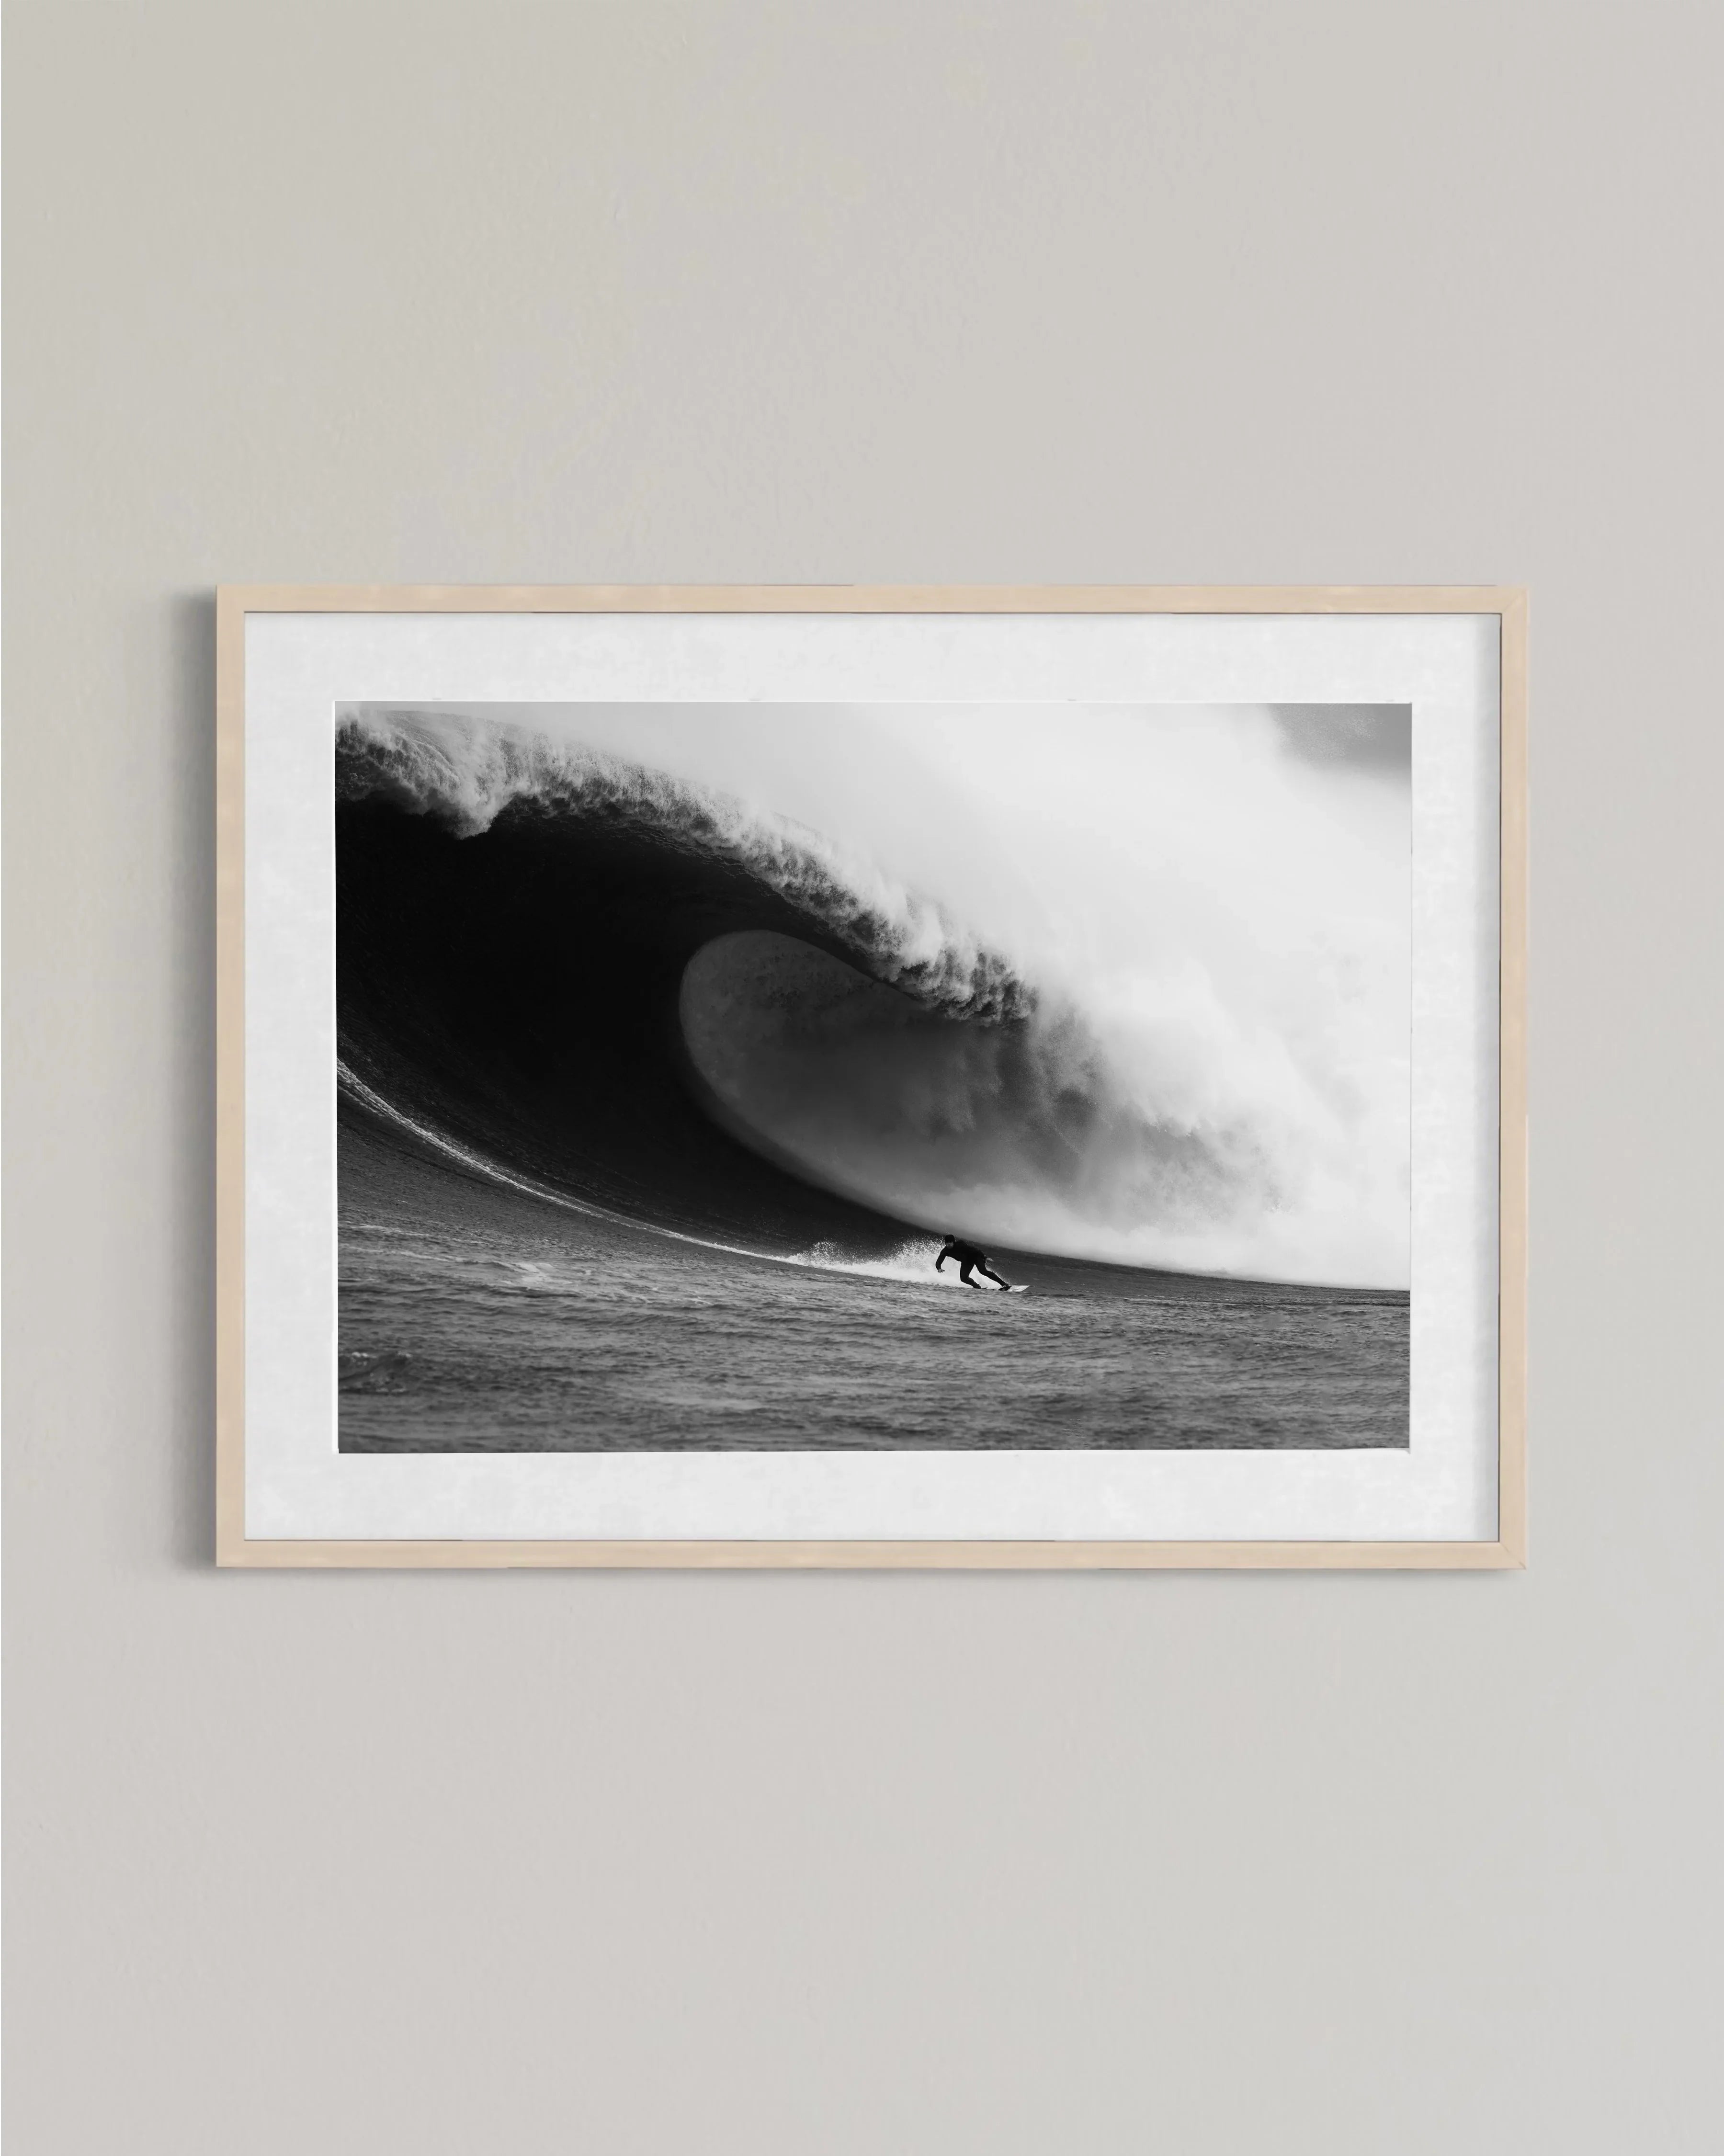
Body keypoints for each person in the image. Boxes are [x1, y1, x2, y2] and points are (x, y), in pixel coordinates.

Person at [935, 1233, 1013, 1292]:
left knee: (983, 1271)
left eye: (950, 1242)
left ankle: (1004, 1284)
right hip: (967, 1262)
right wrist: (939, 1268)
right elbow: (939, 1261)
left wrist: (984, 1257)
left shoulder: (960, 1245)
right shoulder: (945, 1251)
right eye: (947, 1243)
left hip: (976, 1257)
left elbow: (974, 1250)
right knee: (963, 1278)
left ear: (954, 1242)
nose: (949, 1244)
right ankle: (977, 1287)